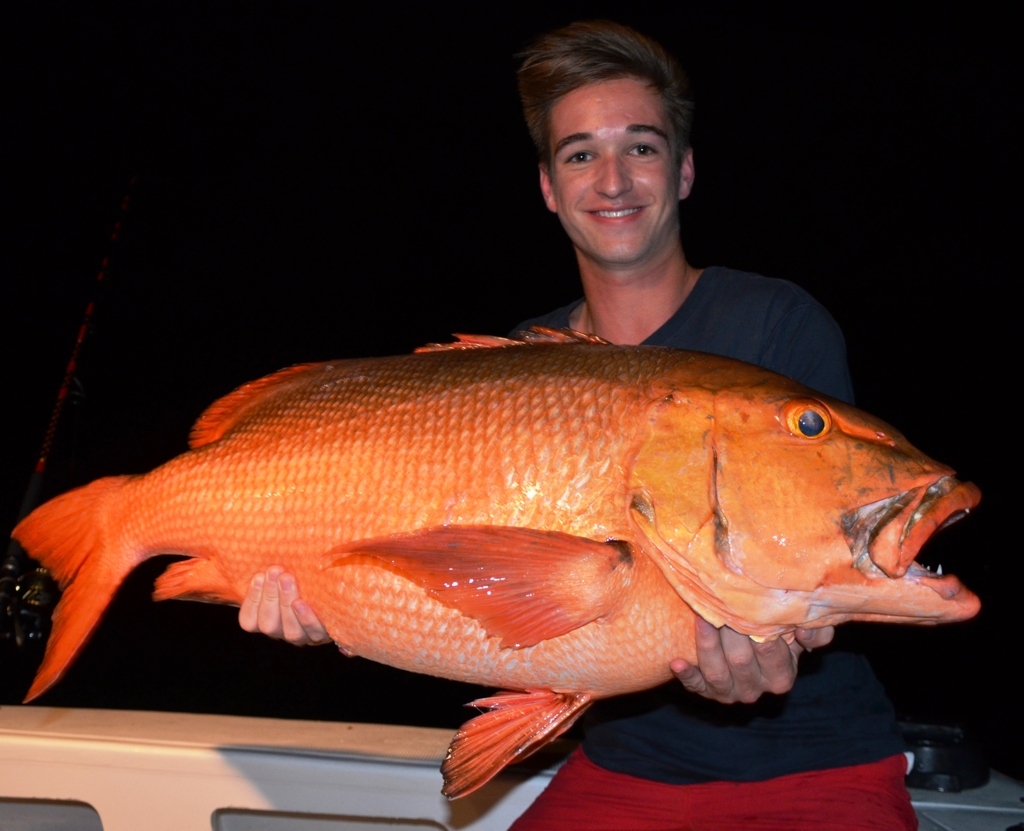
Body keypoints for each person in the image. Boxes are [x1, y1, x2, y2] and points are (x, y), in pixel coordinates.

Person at [239, 21, 916, 830]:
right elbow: (477, 580)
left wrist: (787, 643)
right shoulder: (523, 360)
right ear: (549, 189)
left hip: (816, 758)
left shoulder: (775, 324)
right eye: (580, 154)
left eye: (642, 146)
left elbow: (827, 552)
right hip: (624, 764)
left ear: (685, 169)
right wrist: (334, 602)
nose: (613, 179)